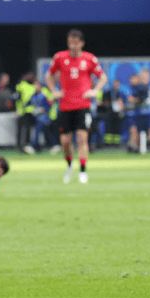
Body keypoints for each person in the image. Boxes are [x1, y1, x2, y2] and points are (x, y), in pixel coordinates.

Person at [44, 29, 107, 184]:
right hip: (65, 106)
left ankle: (83, 171)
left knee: (82, 138)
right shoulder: (60, 57)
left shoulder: (90, 59)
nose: (73, 46)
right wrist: (54, 91)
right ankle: (69, 166)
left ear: (82, 43)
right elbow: (48, 75)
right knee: (65, 141)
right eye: (70, 43)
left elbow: (103, 77)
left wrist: (95, 91)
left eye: (76, 43)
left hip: (83, 105)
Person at [127, 71, 150, 153]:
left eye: (146, 76)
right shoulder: (136, 87)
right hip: (138, 113)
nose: (144, 78)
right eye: (142, 76)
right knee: (135, 131)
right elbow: (132, 98)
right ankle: (134, 147)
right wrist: (137, 99)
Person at [24, 80, 58, 154]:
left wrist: (41, 109)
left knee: (37, 130)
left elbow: (48, 105)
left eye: (37, 85)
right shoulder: (33, 96)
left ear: (40, 86)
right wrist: (31, 109)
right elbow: (26, 104)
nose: (35, 87)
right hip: (37, 117)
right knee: (47, 131)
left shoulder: (43, 95)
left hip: (44, 117)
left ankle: (33, 146)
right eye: (34, 85)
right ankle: (55, 145)